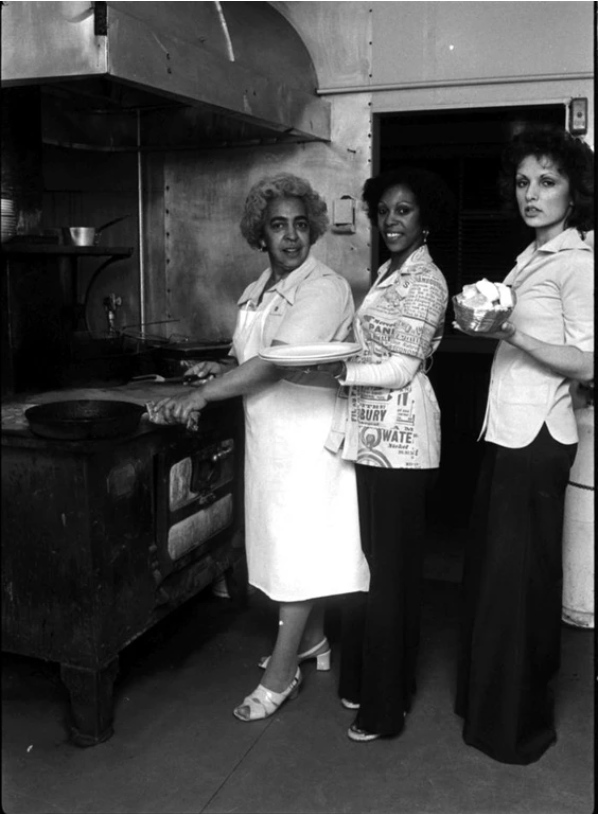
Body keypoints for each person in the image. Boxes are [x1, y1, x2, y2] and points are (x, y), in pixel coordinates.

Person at [148, 173, 370, 721]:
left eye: (300, 224)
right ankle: (314, 641)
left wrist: (201, 393)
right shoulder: (258, 289)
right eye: (278, 226)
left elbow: (275, 364)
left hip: (309, 436)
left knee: (297, 551)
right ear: (260, 235)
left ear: (314, 230)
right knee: (280, 544)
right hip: (270, 436)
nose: (291, 236)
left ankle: (283, 669)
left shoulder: (324, 287)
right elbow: (252, 356)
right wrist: (220, 367)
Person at [454, 125, 594, 764]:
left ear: (573, 190)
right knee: (495, 575)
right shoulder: (529, 257)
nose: (530, 194)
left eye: (547, 181)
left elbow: (589, 363)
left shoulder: (577, 263)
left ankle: (517, 729)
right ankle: (485, 708)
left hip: (540, 437)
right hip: (509, 433)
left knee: (523, 582)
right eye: (522, 182)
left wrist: (510, 331)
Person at [321, 167, 453, 741]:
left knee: (390, 577)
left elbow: (402, 367)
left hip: (403, 444)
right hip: (372, 438)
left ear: (425, 219)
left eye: (404, 211)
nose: (391, 221)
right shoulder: (387, 271)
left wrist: (334, 373)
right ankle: (369, 683)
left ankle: (385, 707)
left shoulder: (427, 281)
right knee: (369, 568)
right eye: (384, 211)